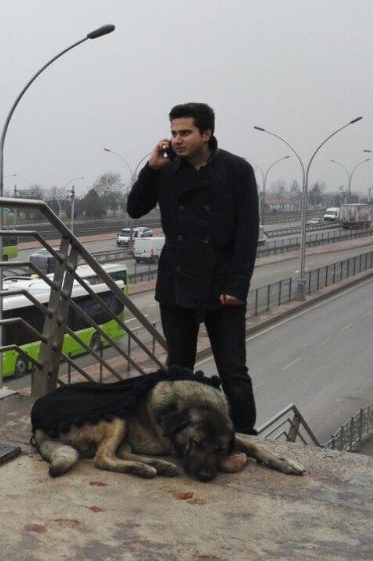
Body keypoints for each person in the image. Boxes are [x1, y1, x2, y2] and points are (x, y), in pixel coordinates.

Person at [126, 102, 260, 435]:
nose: (177, 140)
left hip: (222, 285)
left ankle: (243, 434)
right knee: (178, 369)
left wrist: (237, 285)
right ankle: (179, 433)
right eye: (173, 133)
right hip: (177, 282)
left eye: (185, 132)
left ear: (207, 133)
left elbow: (247, 233)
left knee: (233, 370)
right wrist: (151, 168)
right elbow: (135, 208)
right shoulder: (167, 171)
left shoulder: (236, 170)